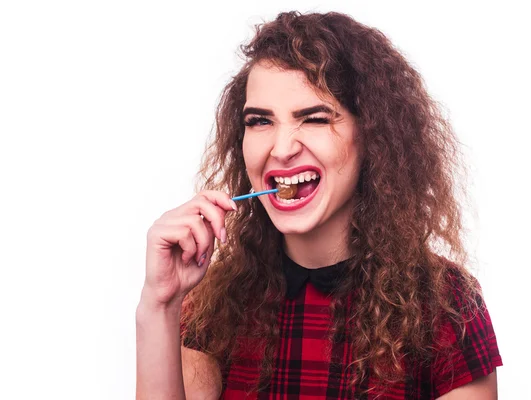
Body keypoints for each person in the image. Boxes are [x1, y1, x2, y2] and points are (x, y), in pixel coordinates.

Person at [136, 10, 503, 400]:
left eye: (313, 119)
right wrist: (160, 305)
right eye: (260, 121)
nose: (281, 149)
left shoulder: (445, 304)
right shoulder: (215, 303)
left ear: (372, 137)